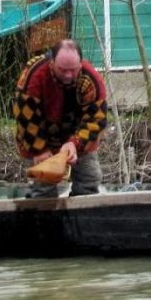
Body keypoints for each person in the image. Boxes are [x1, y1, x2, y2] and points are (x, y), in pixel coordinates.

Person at [13, 39, 108, 198]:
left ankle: (82, 217)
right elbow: (24, 118)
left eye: (73, 70)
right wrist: (39, 150)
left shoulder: (92, 80)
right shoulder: (34, 77)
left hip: (78, 134)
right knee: (43, 188)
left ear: (80, 64)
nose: (68, 75)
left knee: (90, 179)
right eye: (62, 70)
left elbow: (96, 120)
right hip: (39, 134)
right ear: (52, 61)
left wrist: (75, 143)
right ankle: (42, 218)